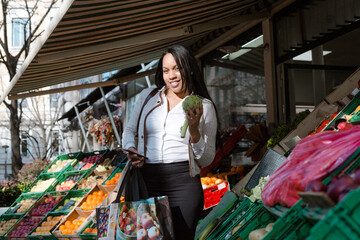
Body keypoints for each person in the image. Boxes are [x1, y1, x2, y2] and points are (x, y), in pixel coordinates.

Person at [122, 45, 218, 239]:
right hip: (146, 182)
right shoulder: (147, 97)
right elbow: (130, 131)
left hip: (184, 184)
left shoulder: (203, 107)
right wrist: (131, 149)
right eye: (166, 70)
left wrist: (194, 131)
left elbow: (206, 158)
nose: (171, 75)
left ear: (189, 69)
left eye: (177, 68)